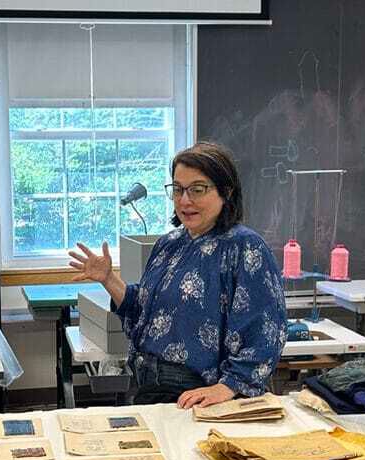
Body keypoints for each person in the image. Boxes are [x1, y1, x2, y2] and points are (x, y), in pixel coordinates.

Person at [68, 141, 287, 408]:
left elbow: (266, 329)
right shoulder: (169, 244)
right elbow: (144, 311)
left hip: (198, 394)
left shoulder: (244, 247)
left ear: (226, 192)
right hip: (149, 385)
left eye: (197, 189)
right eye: (178, 189)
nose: (185, 200)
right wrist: (108, 279)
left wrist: (228, 387)